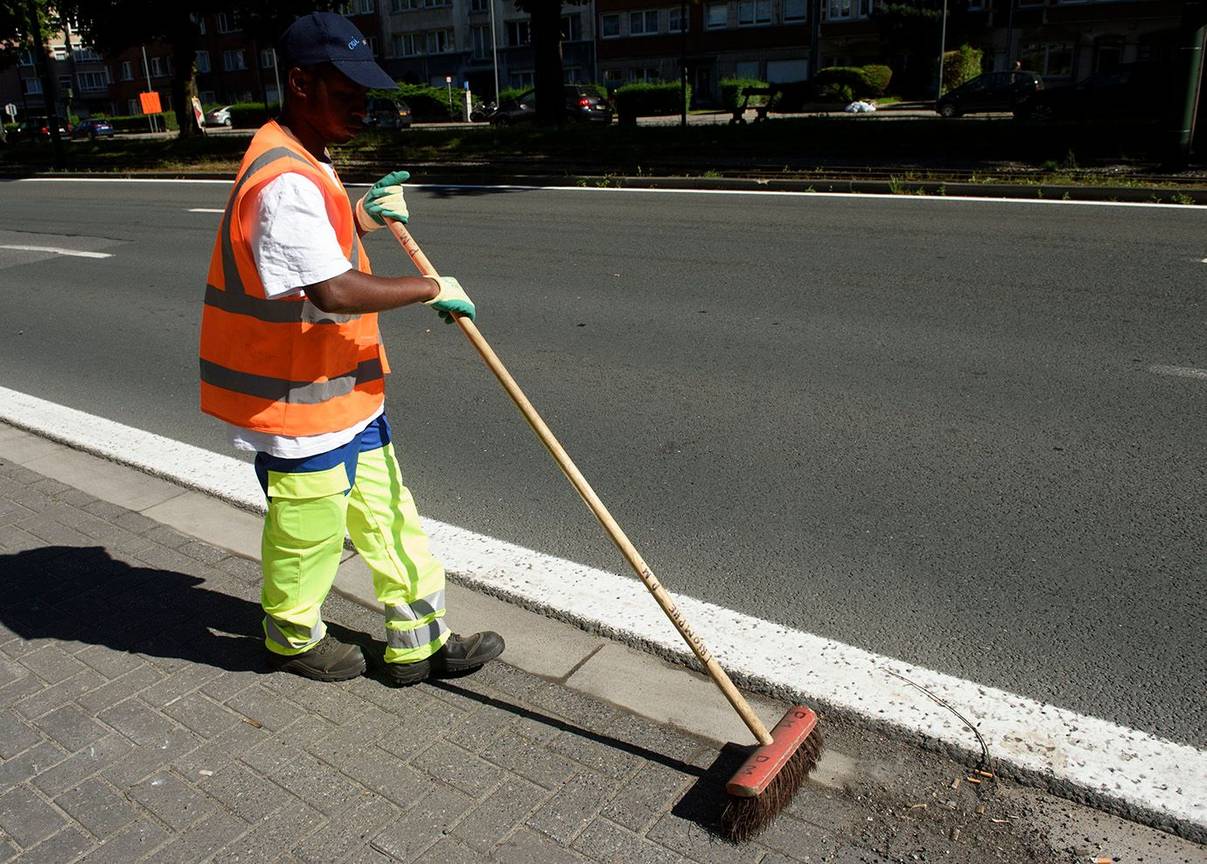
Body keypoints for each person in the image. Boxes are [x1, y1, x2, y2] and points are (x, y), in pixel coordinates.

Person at [199, 12, 503, 686]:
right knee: (308, 537)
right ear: (301, 82)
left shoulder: (307, 154)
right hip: (295, 409)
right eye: (348, 94)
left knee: (392, 519)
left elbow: (318, 249)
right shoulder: (284, 178)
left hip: (345, 394)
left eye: (367, 95)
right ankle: (292, 637)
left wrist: (362, 215)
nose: (363, 109)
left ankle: (419, 641)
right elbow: (332, 290)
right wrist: (429, 286)